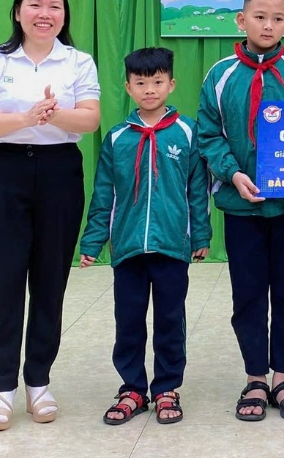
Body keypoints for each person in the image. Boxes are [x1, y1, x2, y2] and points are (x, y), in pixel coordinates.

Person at [0, 0, 102, 432]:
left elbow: (89, 118)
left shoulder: (78, 61)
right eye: (36, 4)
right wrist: (24, 118)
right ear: (18, 11)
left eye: (55, 6)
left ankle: (38, 381)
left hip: (61, 172)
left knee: (49, 282)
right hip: (5, 173)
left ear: (65, 15)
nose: (46, 13)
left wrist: (51, 115)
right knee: (2, 282)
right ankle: (2, 387)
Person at [196, 0, 284, 421]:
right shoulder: (220, 76)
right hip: (241, 207)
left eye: (277, 18)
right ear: (242, 19)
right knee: (248, 296)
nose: (268, 25)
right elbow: (209, 135)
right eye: (259, 17)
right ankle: (255, 377)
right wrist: (233, 173)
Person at [78, 47, 212, 426]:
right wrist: (93, 243)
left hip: (172, 246)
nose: (149, 89)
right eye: (140, 83)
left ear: (171, 83)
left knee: (171, 318)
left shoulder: (188, 133)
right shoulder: (117, 138)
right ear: (128, 87)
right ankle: (133, 388)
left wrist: (199, 235)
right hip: (128, 248)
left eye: (157, 82)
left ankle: (167, 386)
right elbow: (104, 194)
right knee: (129, 320)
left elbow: (196, 191)